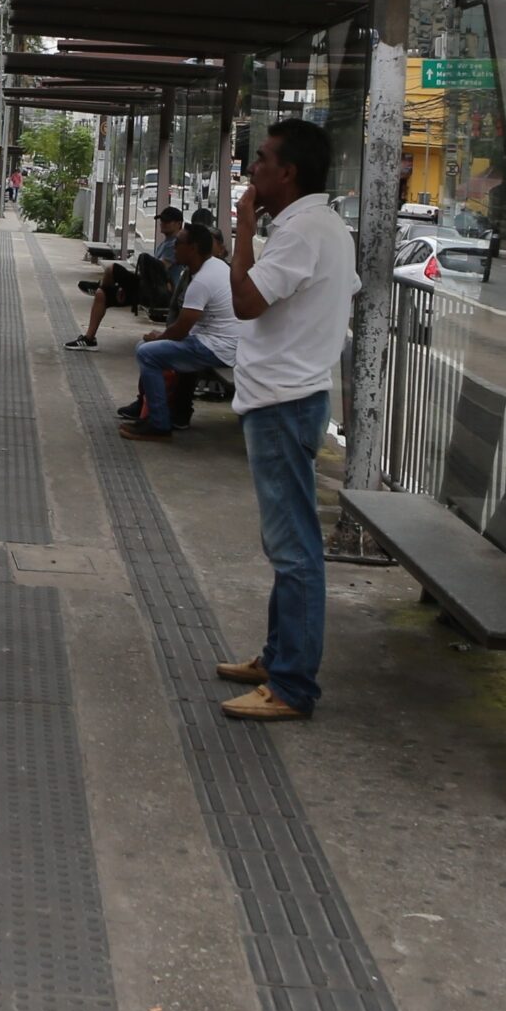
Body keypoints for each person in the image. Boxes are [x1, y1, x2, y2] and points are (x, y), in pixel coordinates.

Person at [215, 119, 358, 723]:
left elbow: (245, 303)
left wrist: (244, 229)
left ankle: (293, 684)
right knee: (286, 544)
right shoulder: (320, 226)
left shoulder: (301, 232)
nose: (252, 169)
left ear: (289, 171)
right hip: (288, 396)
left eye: (262, 159)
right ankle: (277, 657)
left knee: (294, 547)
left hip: (283, 401)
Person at [118, 223, 235, 439]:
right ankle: (148, 411)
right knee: (147, 347)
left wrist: (159, 337)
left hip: (217, 347)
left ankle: (159, 424)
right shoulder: (214, 267)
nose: (173, 248)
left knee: (147, 352)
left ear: (193, 248)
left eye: (178, 243)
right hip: (218, 341)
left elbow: (181, 328)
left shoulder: (202, 280)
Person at [65, 206, 183, 350]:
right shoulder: (165, 243)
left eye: (167, 221)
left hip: (158, 293)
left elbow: (158, 273)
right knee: (102, 295)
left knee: (112, 269)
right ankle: (89, 338)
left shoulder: (176, 245)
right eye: (161, 220)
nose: (162, 224)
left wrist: (127, 283)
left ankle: (101, 285)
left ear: (178, 224)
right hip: (147, 288)